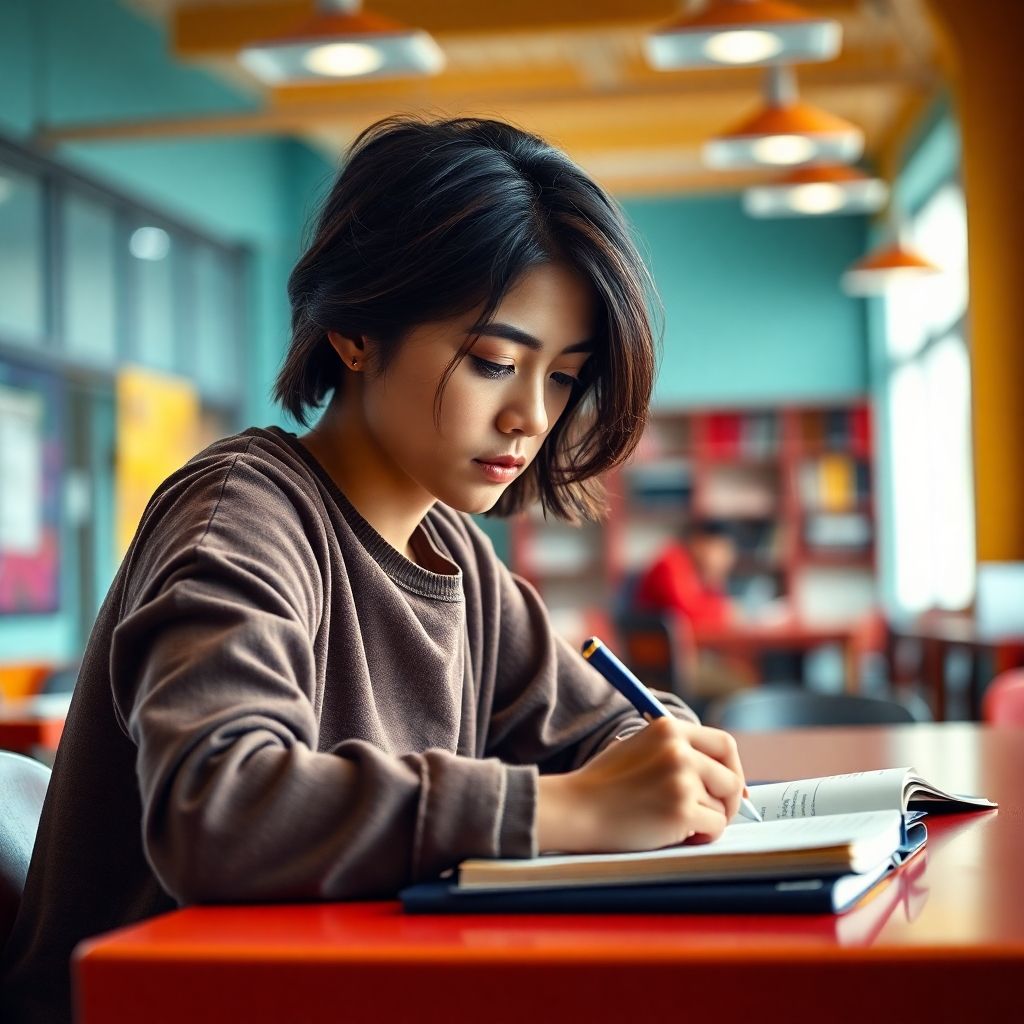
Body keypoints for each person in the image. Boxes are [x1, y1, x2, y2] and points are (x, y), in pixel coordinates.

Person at [0, 116, 747, 1024]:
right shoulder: (243, 512)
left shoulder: (460, 558)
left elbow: (602, 727)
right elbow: (221, 807)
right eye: (494, 362)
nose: (529, 417)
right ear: (355, 330)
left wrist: (654, 756)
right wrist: (573, 811)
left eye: (561, 378)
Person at [634, 518, 738, 632]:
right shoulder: (671, 563)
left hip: (682, 642)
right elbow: (685, 614)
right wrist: (724, 610)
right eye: (720, 549)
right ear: (698, 541)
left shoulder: (702, 573)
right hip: (650, 642)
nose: (724, 558)